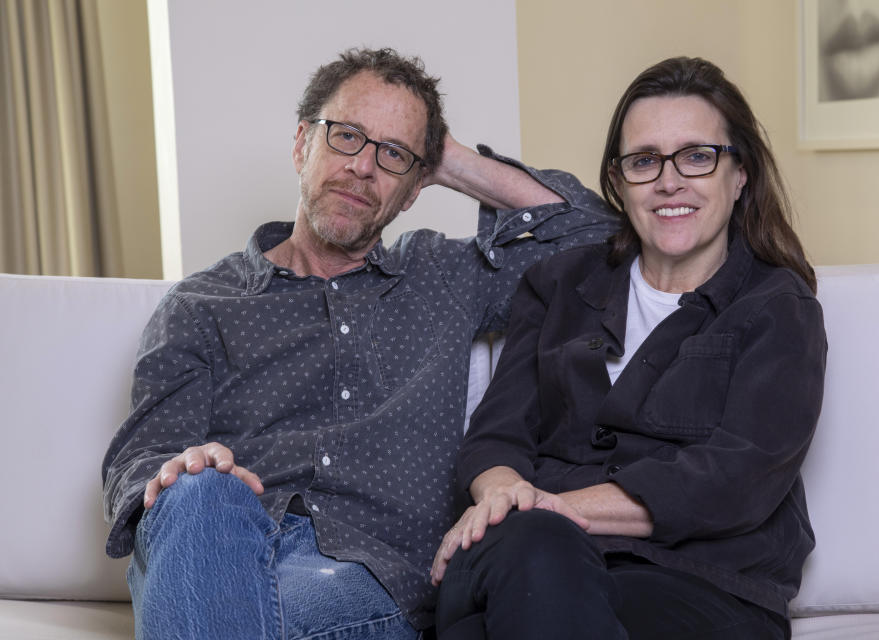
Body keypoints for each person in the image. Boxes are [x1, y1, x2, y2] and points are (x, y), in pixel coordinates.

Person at [101, 47, 617, 639]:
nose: (363, 167)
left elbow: (596, 237)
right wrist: (184, 470)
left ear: (414, 189)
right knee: (195, 495)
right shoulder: (201, 305)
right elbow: (140, 458)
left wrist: (446, 157)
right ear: (302, 144)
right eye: (346, 136)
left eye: (393, 154)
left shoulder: (445, 277)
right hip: (215, 550)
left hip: (364, 584)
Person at [431, 56, 827, 640]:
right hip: (524, 557)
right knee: (536, 554)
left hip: (698, 584)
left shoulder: (777, 308)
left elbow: (734, 477)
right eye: (644, 160)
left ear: (740, 174)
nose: (670, 181)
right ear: (617, 182)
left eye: (697, 156)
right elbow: (496, 436)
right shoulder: (557, 283)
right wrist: (500, 496)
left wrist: (545, 503)